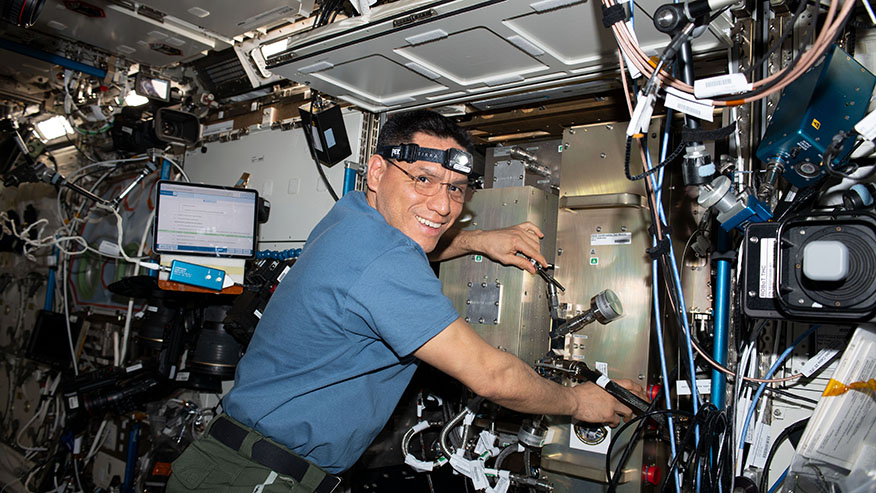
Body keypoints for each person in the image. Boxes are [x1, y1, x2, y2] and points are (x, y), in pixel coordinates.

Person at [167, 110, 644, 492]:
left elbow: (412, 243)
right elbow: (493, 377)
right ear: (377, 171)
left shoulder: (349, 219)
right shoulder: (384, 260)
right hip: (261, 478)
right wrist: (579, 402)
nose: (442, 205)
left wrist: (476, 240)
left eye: (455, 188)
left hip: (245, 462)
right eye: (422, 179)